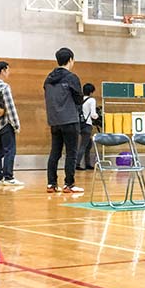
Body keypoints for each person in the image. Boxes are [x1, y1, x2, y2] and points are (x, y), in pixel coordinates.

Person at [44, 47, 84, 193]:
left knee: (55, 152)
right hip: (70, 119)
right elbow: (79, 99)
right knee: (71, 152)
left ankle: (51, 184)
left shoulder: (48, 78)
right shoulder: (72, 78)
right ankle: (69, 184)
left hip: (54, 120)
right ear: (70, 60)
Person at [0, 60, 22, 187]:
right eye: (8, 69)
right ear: (3, 70)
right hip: (6, 124)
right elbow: (10, 107)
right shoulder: (4, 87)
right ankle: (8, 177)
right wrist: (16, 124)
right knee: (10, 150)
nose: (9, 72)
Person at [77, 82, 99, 170]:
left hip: (78, 124)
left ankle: (87, 163)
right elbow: (93, 114)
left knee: (88, 144)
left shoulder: (79, 99)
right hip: (87, 125)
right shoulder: (91, 100)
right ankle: (77, 164)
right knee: (83, 145)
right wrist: (98, 116)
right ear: (91, 92)